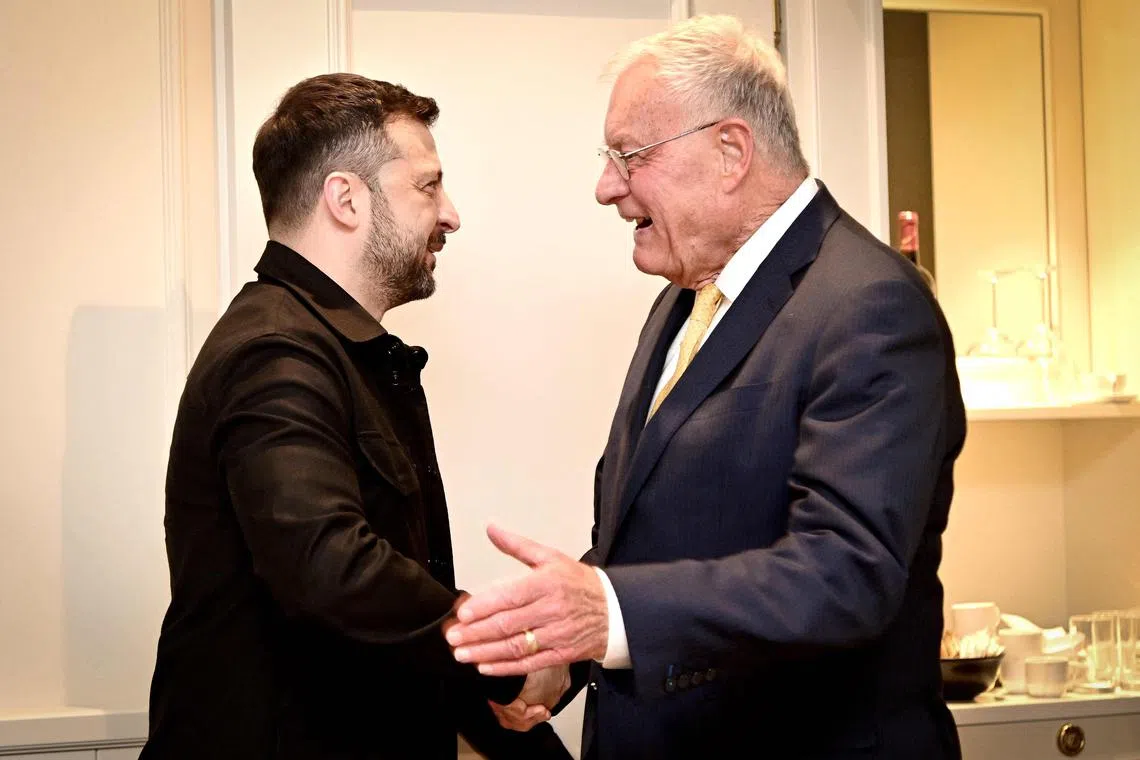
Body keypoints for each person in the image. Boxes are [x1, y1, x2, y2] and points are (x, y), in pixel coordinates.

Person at [444, 15, 967, 760]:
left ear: (730, 151)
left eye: (629, 155)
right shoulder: (683, 298)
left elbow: (844, 573)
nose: (605, 188)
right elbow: (663, 543)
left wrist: (610, 614)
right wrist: (566, 648)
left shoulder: (870, 306)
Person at [140, 73, 570, 760]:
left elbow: (378, 610)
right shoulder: (277, 351)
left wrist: (493, 704)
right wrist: (504, 653)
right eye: (428, 186)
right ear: (346, 198)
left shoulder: (340, 351)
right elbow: (327, 566)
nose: (451, 213)